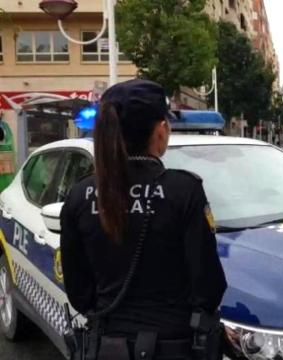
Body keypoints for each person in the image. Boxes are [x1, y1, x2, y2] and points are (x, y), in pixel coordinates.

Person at [60, 79, 227, 360]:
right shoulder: (184, 191)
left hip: (106, 347)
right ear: (160, 131)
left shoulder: (79, 195)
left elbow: (79, 294)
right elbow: (208, 288)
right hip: (174, 348)